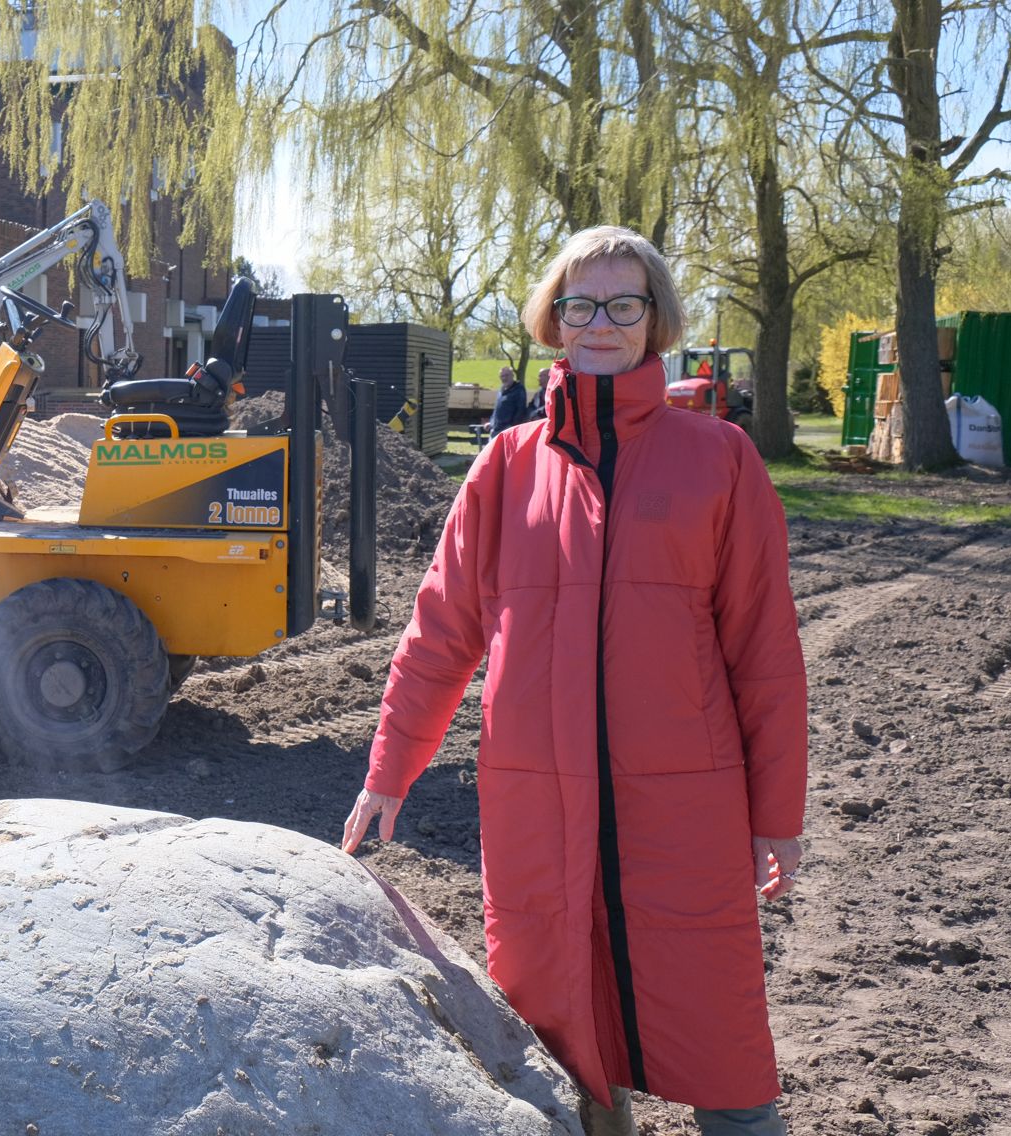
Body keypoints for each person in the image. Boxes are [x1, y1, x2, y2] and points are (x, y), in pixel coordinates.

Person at [341, 226, 805, 1136]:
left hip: (685, 810)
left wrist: (774, 816)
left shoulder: (720, 460)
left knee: (720, 1039)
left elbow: (766, 654)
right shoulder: (505, 468)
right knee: (563, 1034)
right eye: (581, 304)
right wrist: (390, 768)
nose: (601, 322)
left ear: (655, 320)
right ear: (554, 320)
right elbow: (439, 631)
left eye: (623, 303)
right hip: (536, 804)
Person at [487, 365, 529, 440]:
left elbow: (521, 410)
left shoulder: (518, 389)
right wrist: (491, 422)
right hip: (496, 429)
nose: (504, 378)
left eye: (507, 375)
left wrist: (512, 426)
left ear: (513, 375)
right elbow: (497, 410)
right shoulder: (501, 390)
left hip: (508, 430)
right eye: (502, 376)